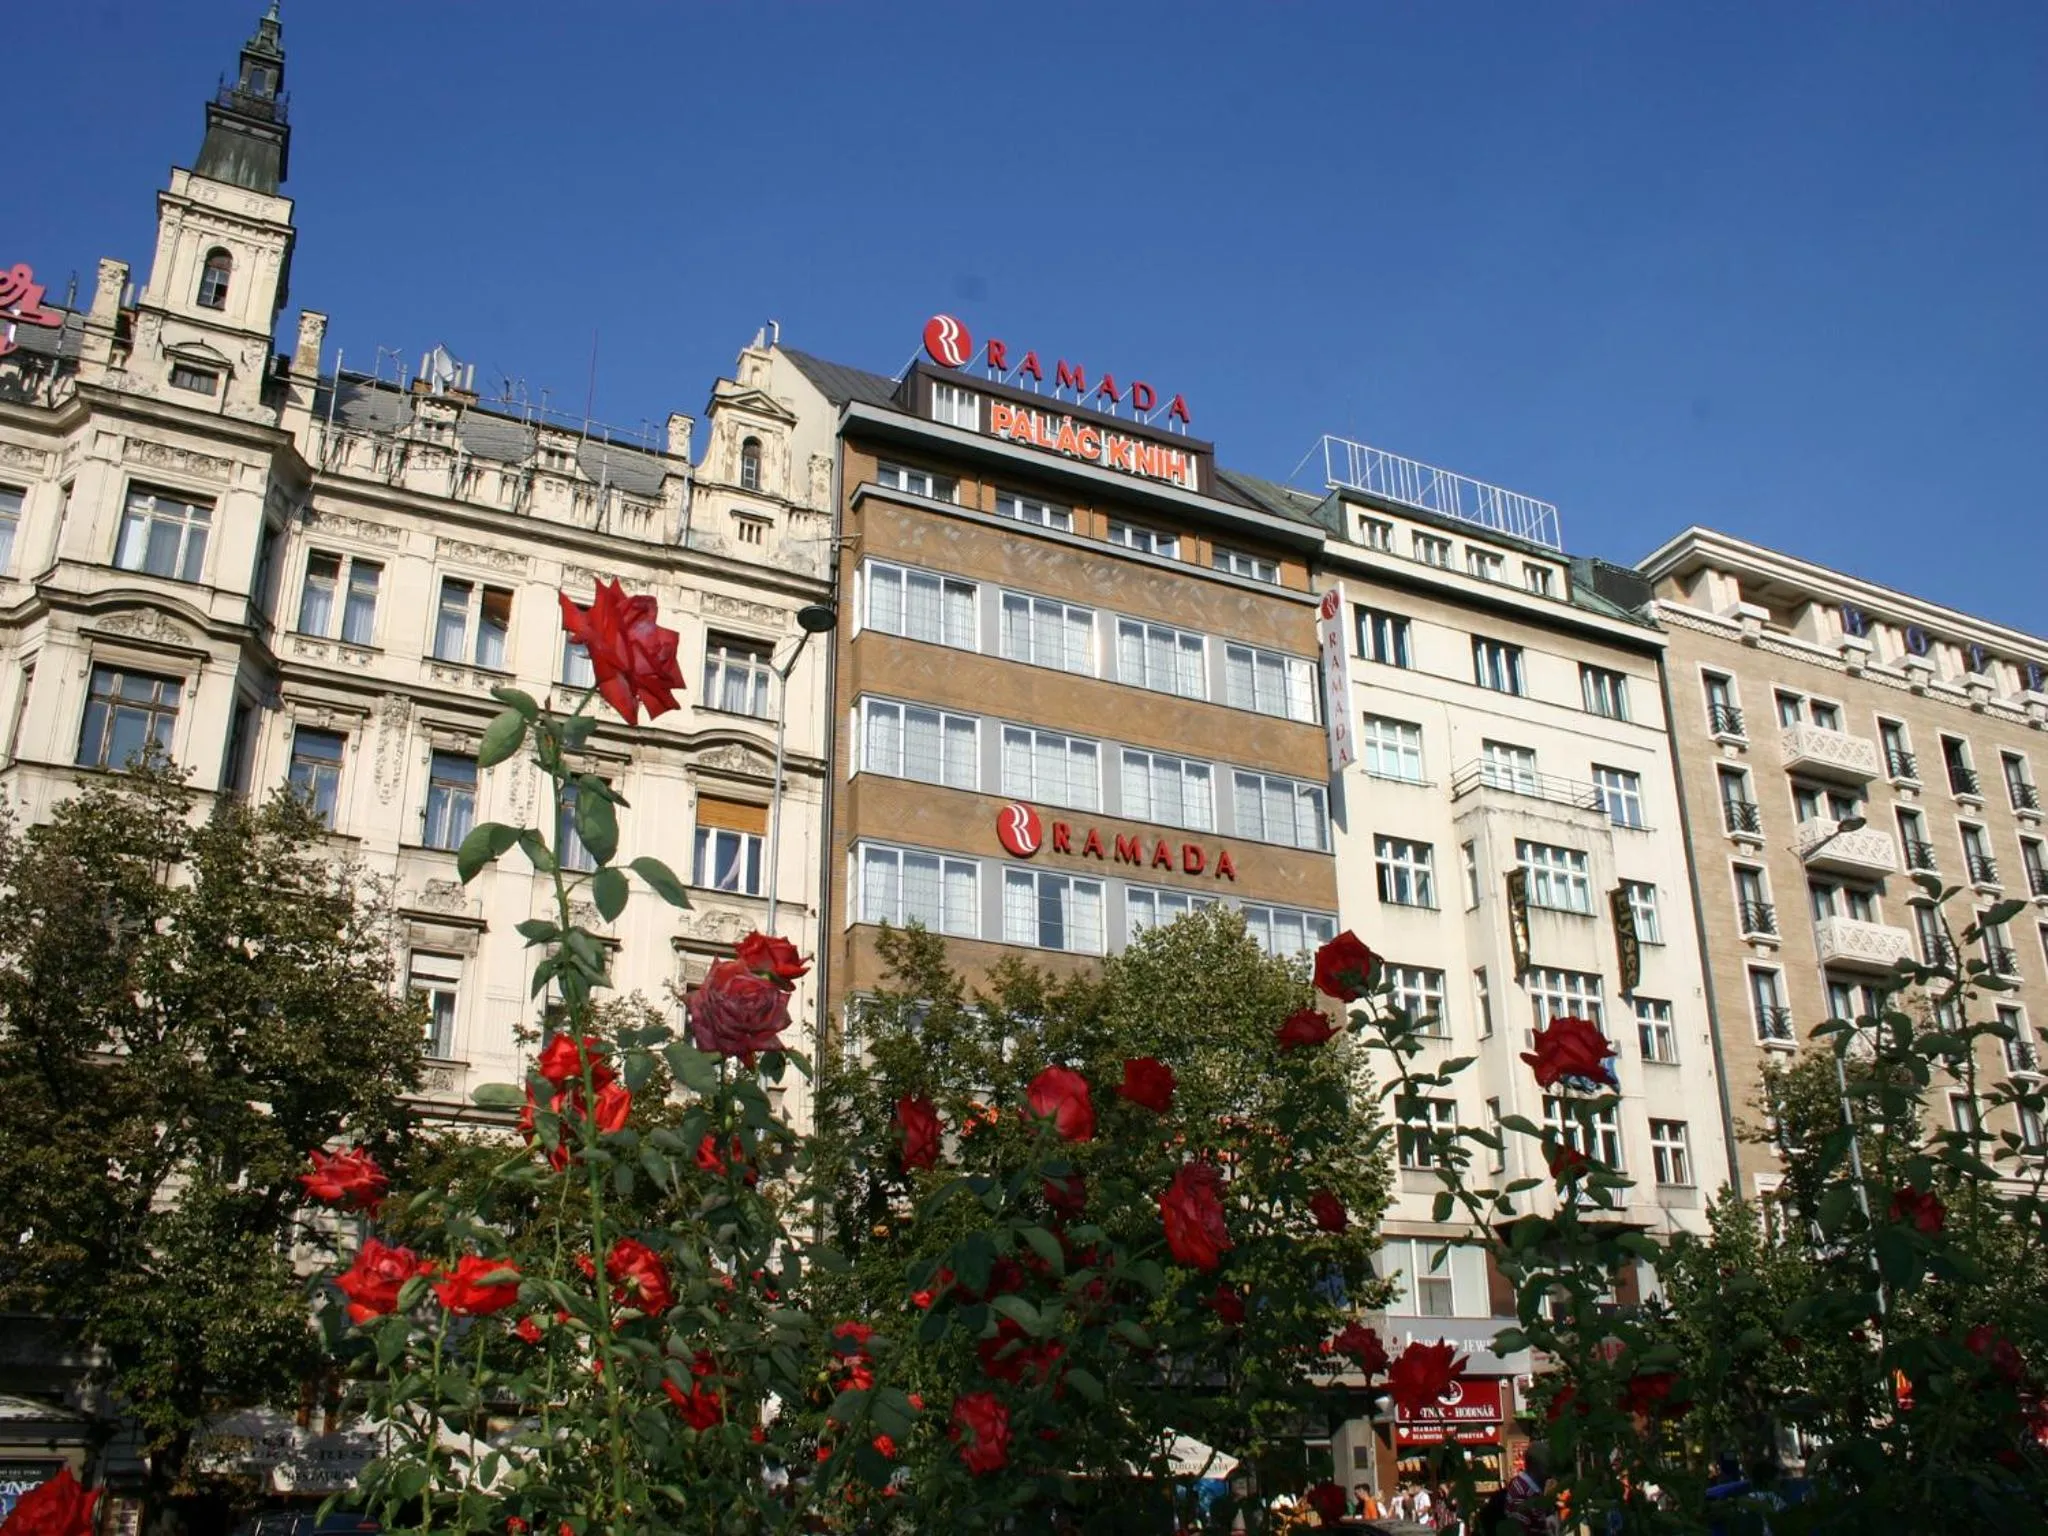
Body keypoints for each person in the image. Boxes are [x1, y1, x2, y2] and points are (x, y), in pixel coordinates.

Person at [1502, 1441, 1552, 1535]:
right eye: (1547, 1465)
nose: (1550, 1471)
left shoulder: (1531, 1490)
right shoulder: (1521, 1493)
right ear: (1535, 1466)